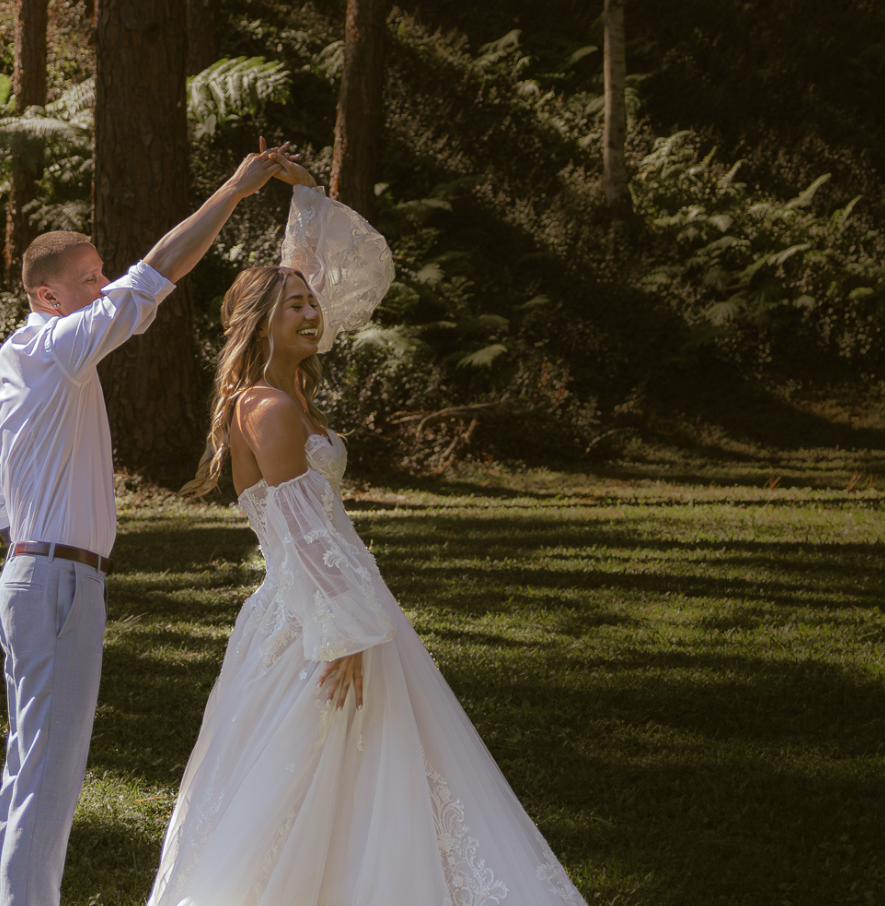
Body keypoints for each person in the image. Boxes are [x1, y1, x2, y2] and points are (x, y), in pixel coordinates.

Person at [145, 162, 587, 906]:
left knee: (375, 767)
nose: (312, 316)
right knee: (308, 770)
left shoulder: (283, 398)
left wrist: (306, 196)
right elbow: (296, 530)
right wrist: (344, 629)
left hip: (343, 599)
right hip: (317, 614)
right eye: (294, 306)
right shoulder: (269, 409)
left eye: (313, 304)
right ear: (258, 322)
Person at [0, 144, 304, 906]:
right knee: (48, 776)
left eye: (100, 273)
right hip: (56, 580)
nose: (102, 287)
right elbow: (158, 272)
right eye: (87, 280)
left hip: (30, 574)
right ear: (47, 296)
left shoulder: (14, 363)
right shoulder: (57, 348)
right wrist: (233, 189)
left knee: (30, 768)